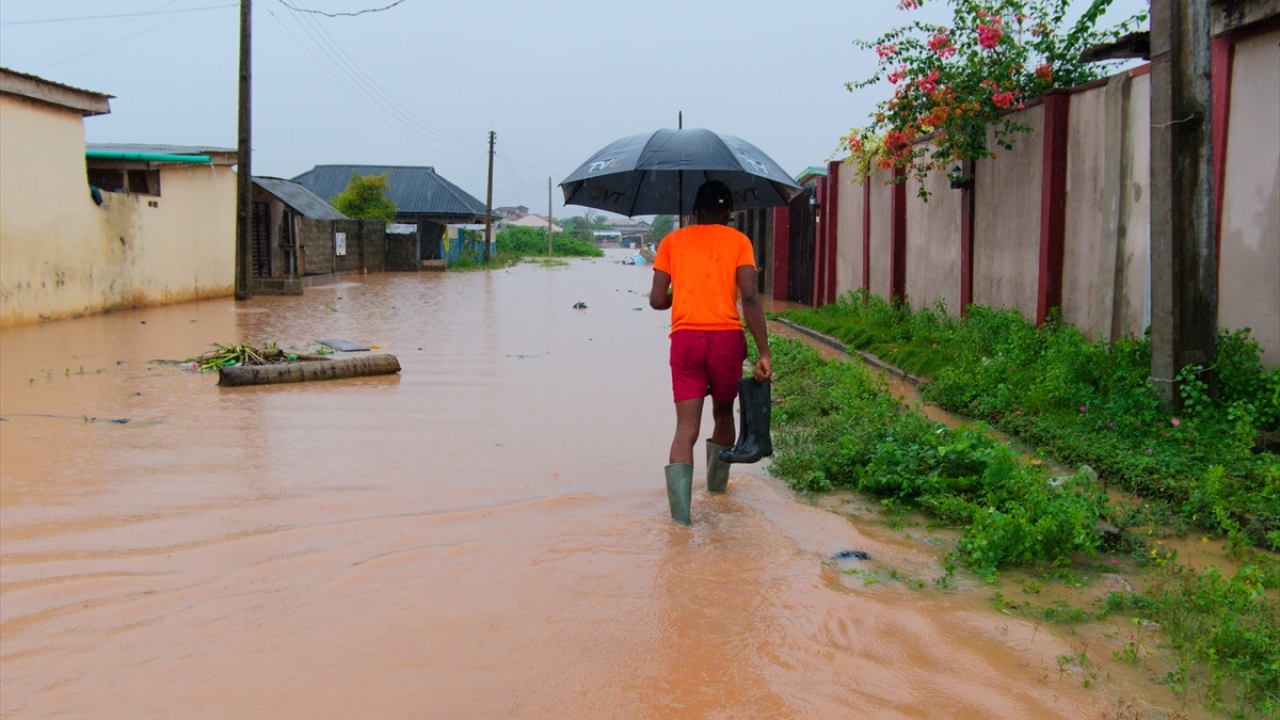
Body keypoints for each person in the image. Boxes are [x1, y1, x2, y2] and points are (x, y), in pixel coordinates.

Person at [649, 180, 771, 526]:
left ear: (695, 211)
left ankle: (680, 522)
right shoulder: (739, 242)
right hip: (725, 341)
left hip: (685, 341)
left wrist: (684, 294)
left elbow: (657, 300)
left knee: (685, 428)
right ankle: (716, 495)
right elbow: (749, 297)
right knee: (723, 416)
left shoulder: (671, 241)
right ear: (729, 213)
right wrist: (764, 352)